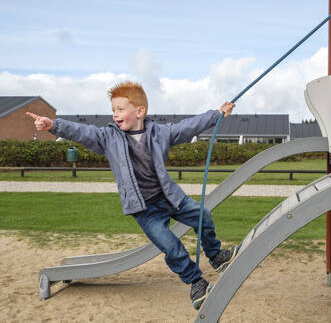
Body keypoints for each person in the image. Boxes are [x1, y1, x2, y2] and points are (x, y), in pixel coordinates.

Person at [26, 81, 238, 310]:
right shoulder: (108, 137)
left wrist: (216, 115)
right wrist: (53, 125)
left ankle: (216, 256)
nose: (115, 114)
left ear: (140, 111)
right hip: (144, 210)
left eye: (120, 109)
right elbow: (82, 132)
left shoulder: (160, 133)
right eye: (113, 110)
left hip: (170, 198)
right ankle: (196, 282)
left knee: (203, 215)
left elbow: (187, 127)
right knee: (171, 246)